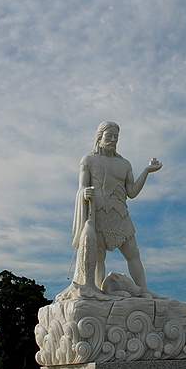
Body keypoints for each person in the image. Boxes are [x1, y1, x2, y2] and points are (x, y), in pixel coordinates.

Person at [72, 121, 163, 295]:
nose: (113, 139)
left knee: (133, 253)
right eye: (109, 135)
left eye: (116, 136)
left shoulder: (125, 164)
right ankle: (96, 290)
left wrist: (146, 171)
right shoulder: (89, 160)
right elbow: (82, 186)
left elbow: (132, 192)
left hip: (120, 213)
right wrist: (84, 193)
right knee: (99, 256)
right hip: (97, 212)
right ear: (100, 137)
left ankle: (144, 290)